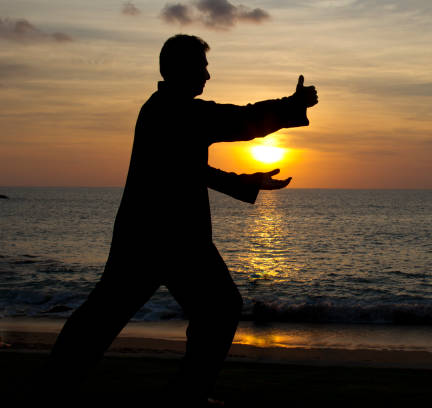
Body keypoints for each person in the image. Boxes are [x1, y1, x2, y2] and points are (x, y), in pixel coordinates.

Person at [44, 34, 318, 401]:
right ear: (182, 69)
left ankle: (60, 386)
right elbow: (239, 119)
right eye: (202, 67)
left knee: (107, 316)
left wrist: (246, 181)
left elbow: (194, 170)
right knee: (210, 309)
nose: (208, 75)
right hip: (166, 240)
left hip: (153, 238)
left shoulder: (165, 110)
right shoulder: (174, 111)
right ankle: (183, 394)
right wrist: (291, 106)